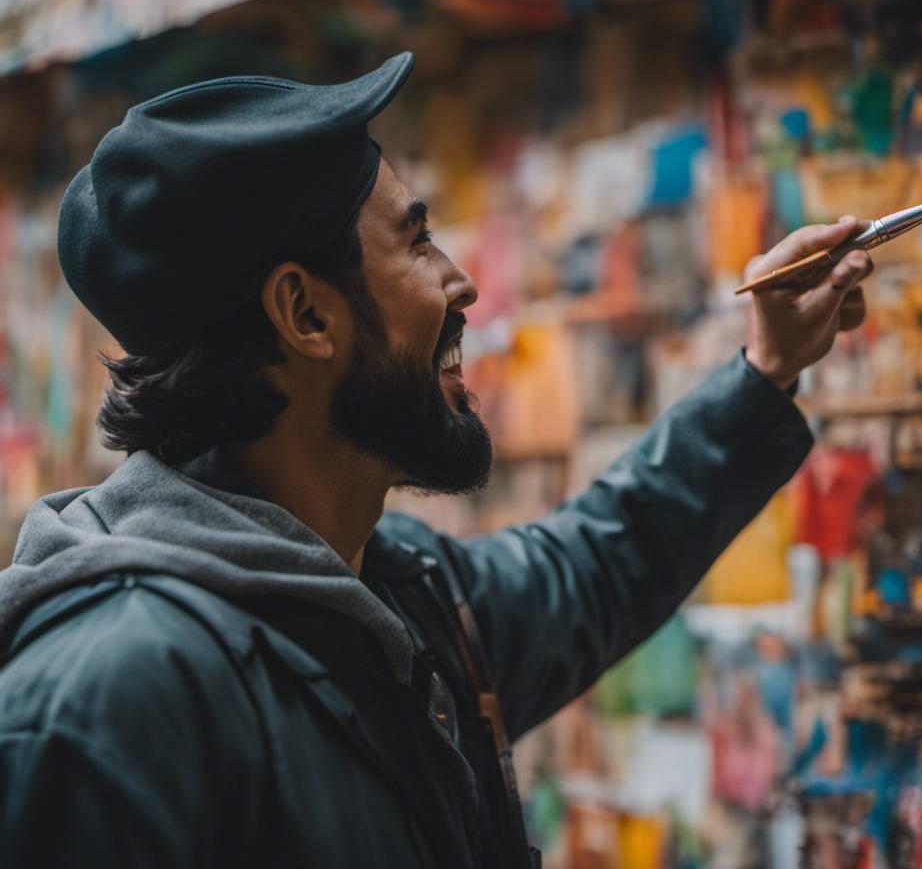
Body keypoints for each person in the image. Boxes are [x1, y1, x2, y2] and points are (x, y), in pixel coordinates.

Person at [0, 52, 871, 868]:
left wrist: (767, 368)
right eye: (417, 242)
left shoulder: (401, 604)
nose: (464, 284)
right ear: (305, 314)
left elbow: (602, 560)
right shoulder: (105, 707)